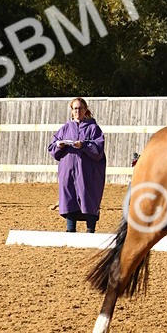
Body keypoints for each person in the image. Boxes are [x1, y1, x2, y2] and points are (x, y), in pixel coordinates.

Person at [48, 97, 106, 232]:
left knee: (89, 196)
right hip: (68, 170)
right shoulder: (64, 129)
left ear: (85, 110)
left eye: (80, 108)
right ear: (71, 111)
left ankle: (90, 229)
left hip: (87, 171)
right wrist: (59, 145)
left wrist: (84, 145)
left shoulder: (94, 129)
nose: (77, 111)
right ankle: (70, 229)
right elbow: (52, 148)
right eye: (75, 108)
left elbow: (98, 149)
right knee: (69, 196)